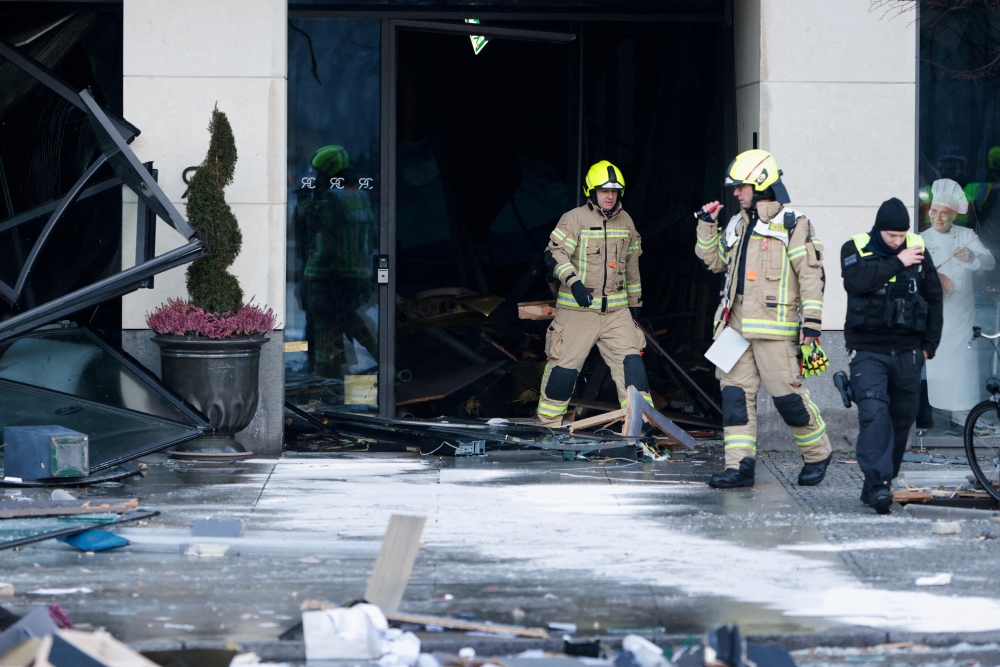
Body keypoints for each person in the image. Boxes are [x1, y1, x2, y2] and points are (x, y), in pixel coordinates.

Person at [695, 149, 832, 488]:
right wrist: (705, 225)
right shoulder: (736, 224)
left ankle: (818, 454)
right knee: (735, 400)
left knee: (789, 400)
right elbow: (715, 263)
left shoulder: (793, 224)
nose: (736, 193)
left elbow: (811, 276)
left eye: (741, 187)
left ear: (760, 184)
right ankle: (739, 467)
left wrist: (811, 324)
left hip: (775, 331)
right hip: (735, 328)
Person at [842, 198, 944, 514]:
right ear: (879, 230)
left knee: (902, 421)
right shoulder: (855, 248)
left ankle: (876, 484)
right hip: (869, 351)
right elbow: (856, 282)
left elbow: (934, 298)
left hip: (909, 353)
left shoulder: (919, 249)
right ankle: (880, 485)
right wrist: (898, 261)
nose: (898, 241)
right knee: (874, 414)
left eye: (901, 236)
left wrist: (929, 347)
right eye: (891, 236)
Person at [536, 161, 650, 427]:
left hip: (616, 314)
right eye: (603, 190)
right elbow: (554, 254)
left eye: (614, 190)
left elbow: (632, 265)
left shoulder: (627, 221)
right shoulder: (574, 218)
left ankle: (640, 427)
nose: (610, 196)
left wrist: (635, 303)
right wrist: (573, 283)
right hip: (577, 313)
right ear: (592, 191)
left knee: (633, 372)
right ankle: (549, 427)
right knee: (562, 373)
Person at [921, 179, 995, 425]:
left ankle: (966, 416)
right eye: (935, 212)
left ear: (954, 216)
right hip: (936, 314)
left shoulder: (966, 235)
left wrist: (972, 256)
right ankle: (939, 417)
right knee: (939, 365)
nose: (939, 218)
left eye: (945, 214)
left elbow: (990, 262)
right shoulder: (920, 239)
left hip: (962, 315)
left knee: (963, 366)